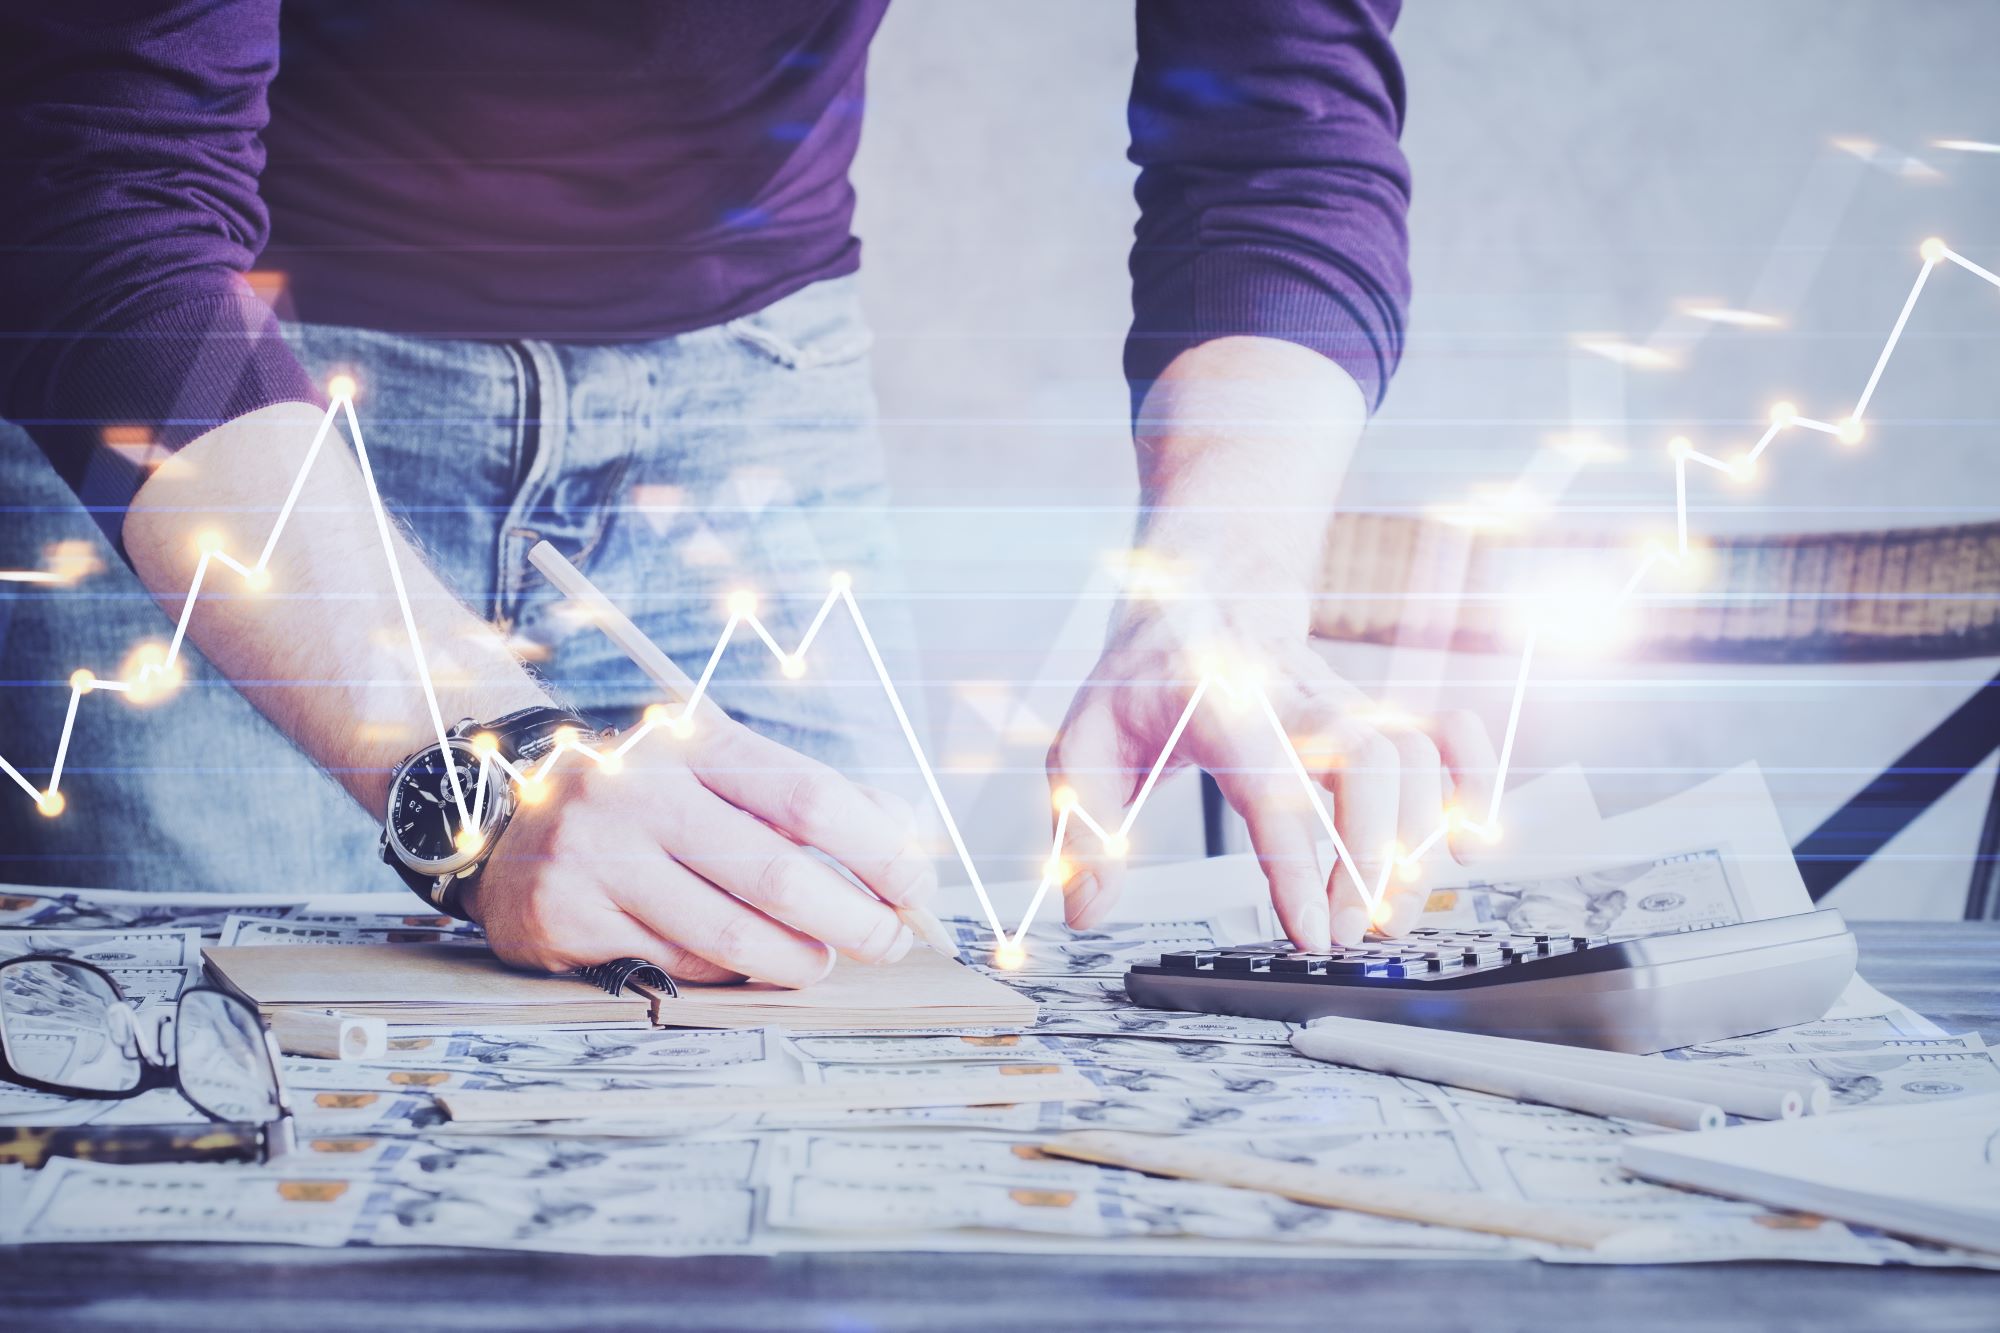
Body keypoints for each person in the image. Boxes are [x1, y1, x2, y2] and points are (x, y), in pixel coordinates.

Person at [0, 1, 1495, 985]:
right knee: (215, 1142)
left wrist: (1219, 588)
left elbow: (1279, 125)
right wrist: (472, 753)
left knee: (846, 1083)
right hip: (216, 393)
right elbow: (93, 188)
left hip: (746, 385)